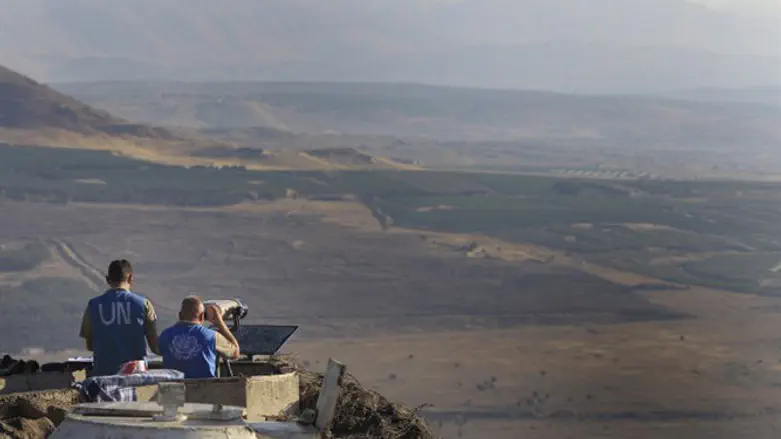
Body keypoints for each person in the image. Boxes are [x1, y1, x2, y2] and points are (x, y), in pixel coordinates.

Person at [79, 259, 161, 376]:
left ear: (107, 279)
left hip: (103, 375)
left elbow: (90, 345)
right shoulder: (144, 304)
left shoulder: (93, 305)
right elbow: (155, 346)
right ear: (130, 278)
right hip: (135, 375)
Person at [159, 296, 240, 379]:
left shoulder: (165, 335)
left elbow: (158, 350)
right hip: (205, 388)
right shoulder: (211, 336)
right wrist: (220, 323)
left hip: (173, 388)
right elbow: (235, 353)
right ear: (202, 316)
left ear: (179, 315)